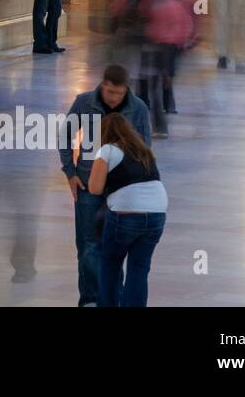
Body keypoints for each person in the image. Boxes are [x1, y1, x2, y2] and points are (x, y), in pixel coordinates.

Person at [57, 64, 152, 307]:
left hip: (120, 190)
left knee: (115, 248)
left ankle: (112, 300)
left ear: (125, 90)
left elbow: (144, 150)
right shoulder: (84, 103)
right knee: (89, 246)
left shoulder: (138, 109)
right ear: (103, 85)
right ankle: (90, 300)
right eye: (109, 92)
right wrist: (70, 173)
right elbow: (64, 135)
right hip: (88, 186)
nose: (113, 98)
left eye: (118, 93)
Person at [88, 113, 168, 308]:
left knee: (111, 264)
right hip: (157, 214)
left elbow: (94, 188)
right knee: (139, 269)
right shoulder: (145, 151)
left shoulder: (107, 150)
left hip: (126, 215)